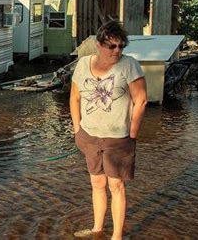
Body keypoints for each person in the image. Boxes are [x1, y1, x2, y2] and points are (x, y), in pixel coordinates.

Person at [70, 20, 147, 240]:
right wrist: (77, 129)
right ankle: (97, 230)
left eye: (121, 46)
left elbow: (141, 100)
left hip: (118, 138)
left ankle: (116, 236)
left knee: (116, 185)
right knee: (97, 182)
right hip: (89, 135)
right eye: (112, 46)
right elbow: (75, 97)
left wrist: (132, 133)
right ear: (98, 44)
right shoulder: (83, 64)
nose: (117, 51)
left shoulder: (129, 65)